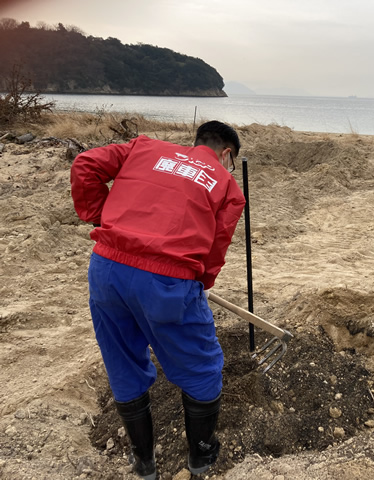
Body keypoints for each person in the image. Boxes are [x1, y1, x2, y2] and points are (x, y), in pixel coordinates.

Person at [70, 121, 246, 479]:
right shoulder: (226, 184)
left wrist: (101, 217)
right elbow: (216, 248)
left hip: (106, 270)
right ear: (226, 154)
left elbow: (85, 164)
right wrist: (203, 282)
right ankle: (201, 460)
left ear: (195, 141)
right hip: (168, 282)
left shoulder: (144, 148)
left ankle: (144, 464)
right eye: (230, 161)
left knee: (123, 363)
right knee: (203, 367)